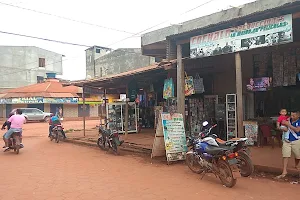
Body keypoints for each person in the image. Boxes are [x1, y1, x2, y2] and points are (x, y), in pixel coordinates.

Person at [276, 111, 300, 179]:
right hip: (287, 141)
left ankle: (296, 165)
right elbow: (282, 126)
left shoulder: (298, 122)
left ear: (298, 116)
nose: (291, 117)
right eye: (291, 115)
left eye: (293, 116)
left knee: (298, 156)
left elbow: (297, 130)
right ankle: (284, 171)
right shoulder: (288, 119)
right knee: (285, 155)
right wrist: (280, 127)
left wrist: (288, 124)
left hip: (296, 140)